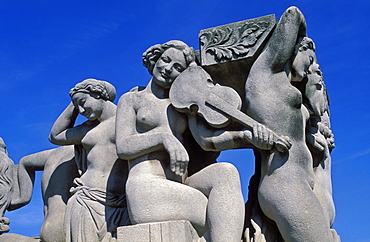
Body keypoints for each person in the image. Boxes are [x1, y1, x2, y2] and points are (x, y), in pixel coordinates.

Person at [115, 40, 275, 242]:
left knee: (226, 173)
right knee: (216, 213)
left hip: (182, 184)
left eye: (177, 68)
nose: (167, 69)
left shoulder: (182, 106)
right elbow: (123, 146)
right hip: (147, 185)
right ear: (155, 59)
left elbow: (207, 141)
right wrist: (164, 139)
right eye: (165, 60)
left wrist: (248, 136)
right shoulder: (132, 100)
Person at [244, 6, 339, 241]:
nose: (309, 69)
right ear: (295, 49)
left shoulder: (289, 93)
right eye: (309, 60)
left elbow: (316, 107)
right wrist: (302, 37)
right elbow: (293, 14)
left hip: (293, 184)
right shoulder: (268, 74)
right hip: (286, 184)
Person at [49, 78, 129, 242]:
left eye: (83, 102)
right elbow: (55, 136)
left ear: (98, 94)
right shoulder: (87, 130)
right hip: (86, 200)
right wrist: (75, 100)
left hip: (122, 202)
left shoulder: (126, 119)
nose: (81, 109)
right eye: (77, 107)